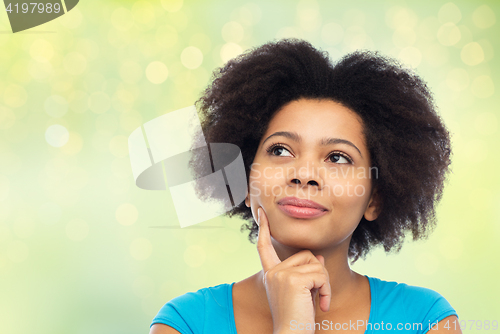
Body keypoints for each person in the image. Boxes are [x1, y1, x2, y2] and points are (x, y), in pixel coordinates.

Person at [149, 39, 461, 334]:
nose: (304, 174)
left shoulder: (424, 320)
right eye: (280, 150)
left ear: (374, 199)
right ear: (244, 179)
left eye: (337, 157)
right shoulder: (185, 324)